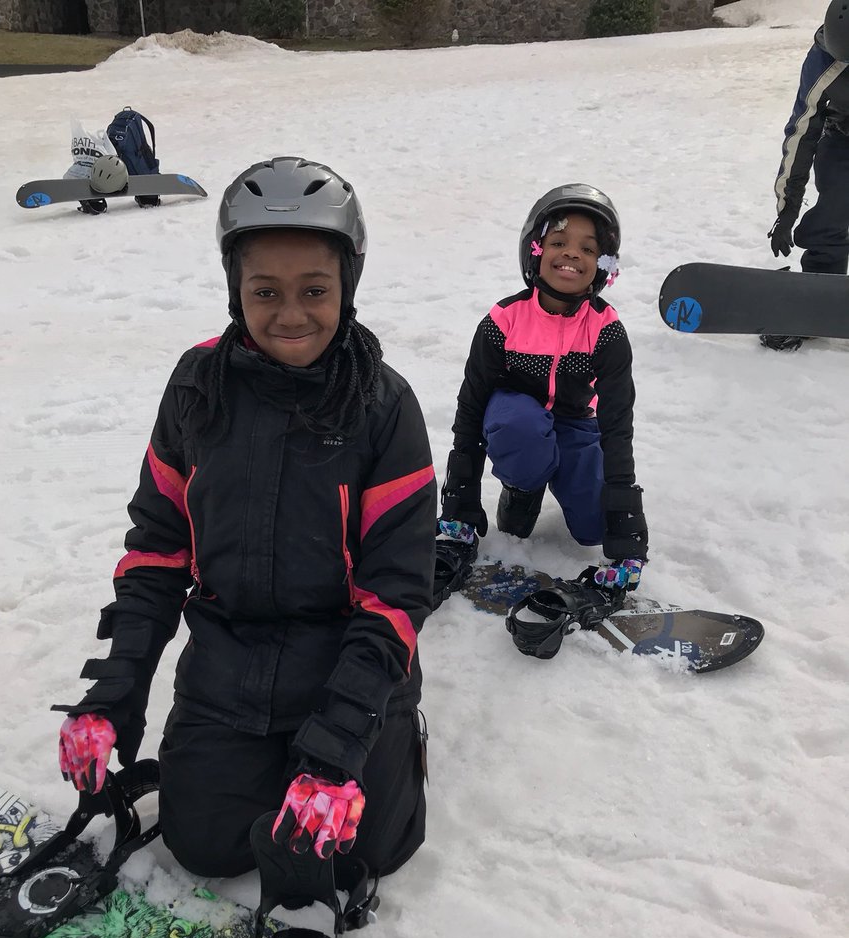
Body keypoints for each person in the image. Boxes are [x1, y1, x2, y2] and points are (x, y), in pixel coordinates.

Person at [54, 156, 436, 885]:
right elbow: (158, 549)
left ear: (347, 285)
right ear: (235, 288)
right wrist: (117, 689)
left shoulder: (383, 405)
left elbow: (396, 592)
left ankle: (392, 737)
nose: (290, 314)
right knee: (204, 847)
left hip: (344, 658)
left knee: (369, 852)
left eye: (314, 290)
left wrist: (339, 746)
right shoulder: (197, 388)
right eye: (265, 291)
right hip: (230, 659)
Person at [435, 184, 648, 598]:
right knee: (521, 424)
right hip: (517, 420)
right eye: (559, 242)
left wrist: (626, 520)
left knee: (594, 527)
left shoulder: (606, 331)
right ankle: (523, 487)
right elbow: (472, 405)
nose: (572, 254)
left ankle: (561, 471)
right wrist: (460, 498)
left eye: (588, 249)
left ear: (602, 264)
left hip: (574, 422)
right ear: (535, 250)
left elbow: (617, 421)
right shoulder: (504, 320)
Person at [764, 0, 849, 351]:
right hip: (843, 136)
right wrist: (787, 210)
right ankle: (819, 302)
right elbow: (801, 137)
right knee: (834, 210)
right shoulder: (822, 63)